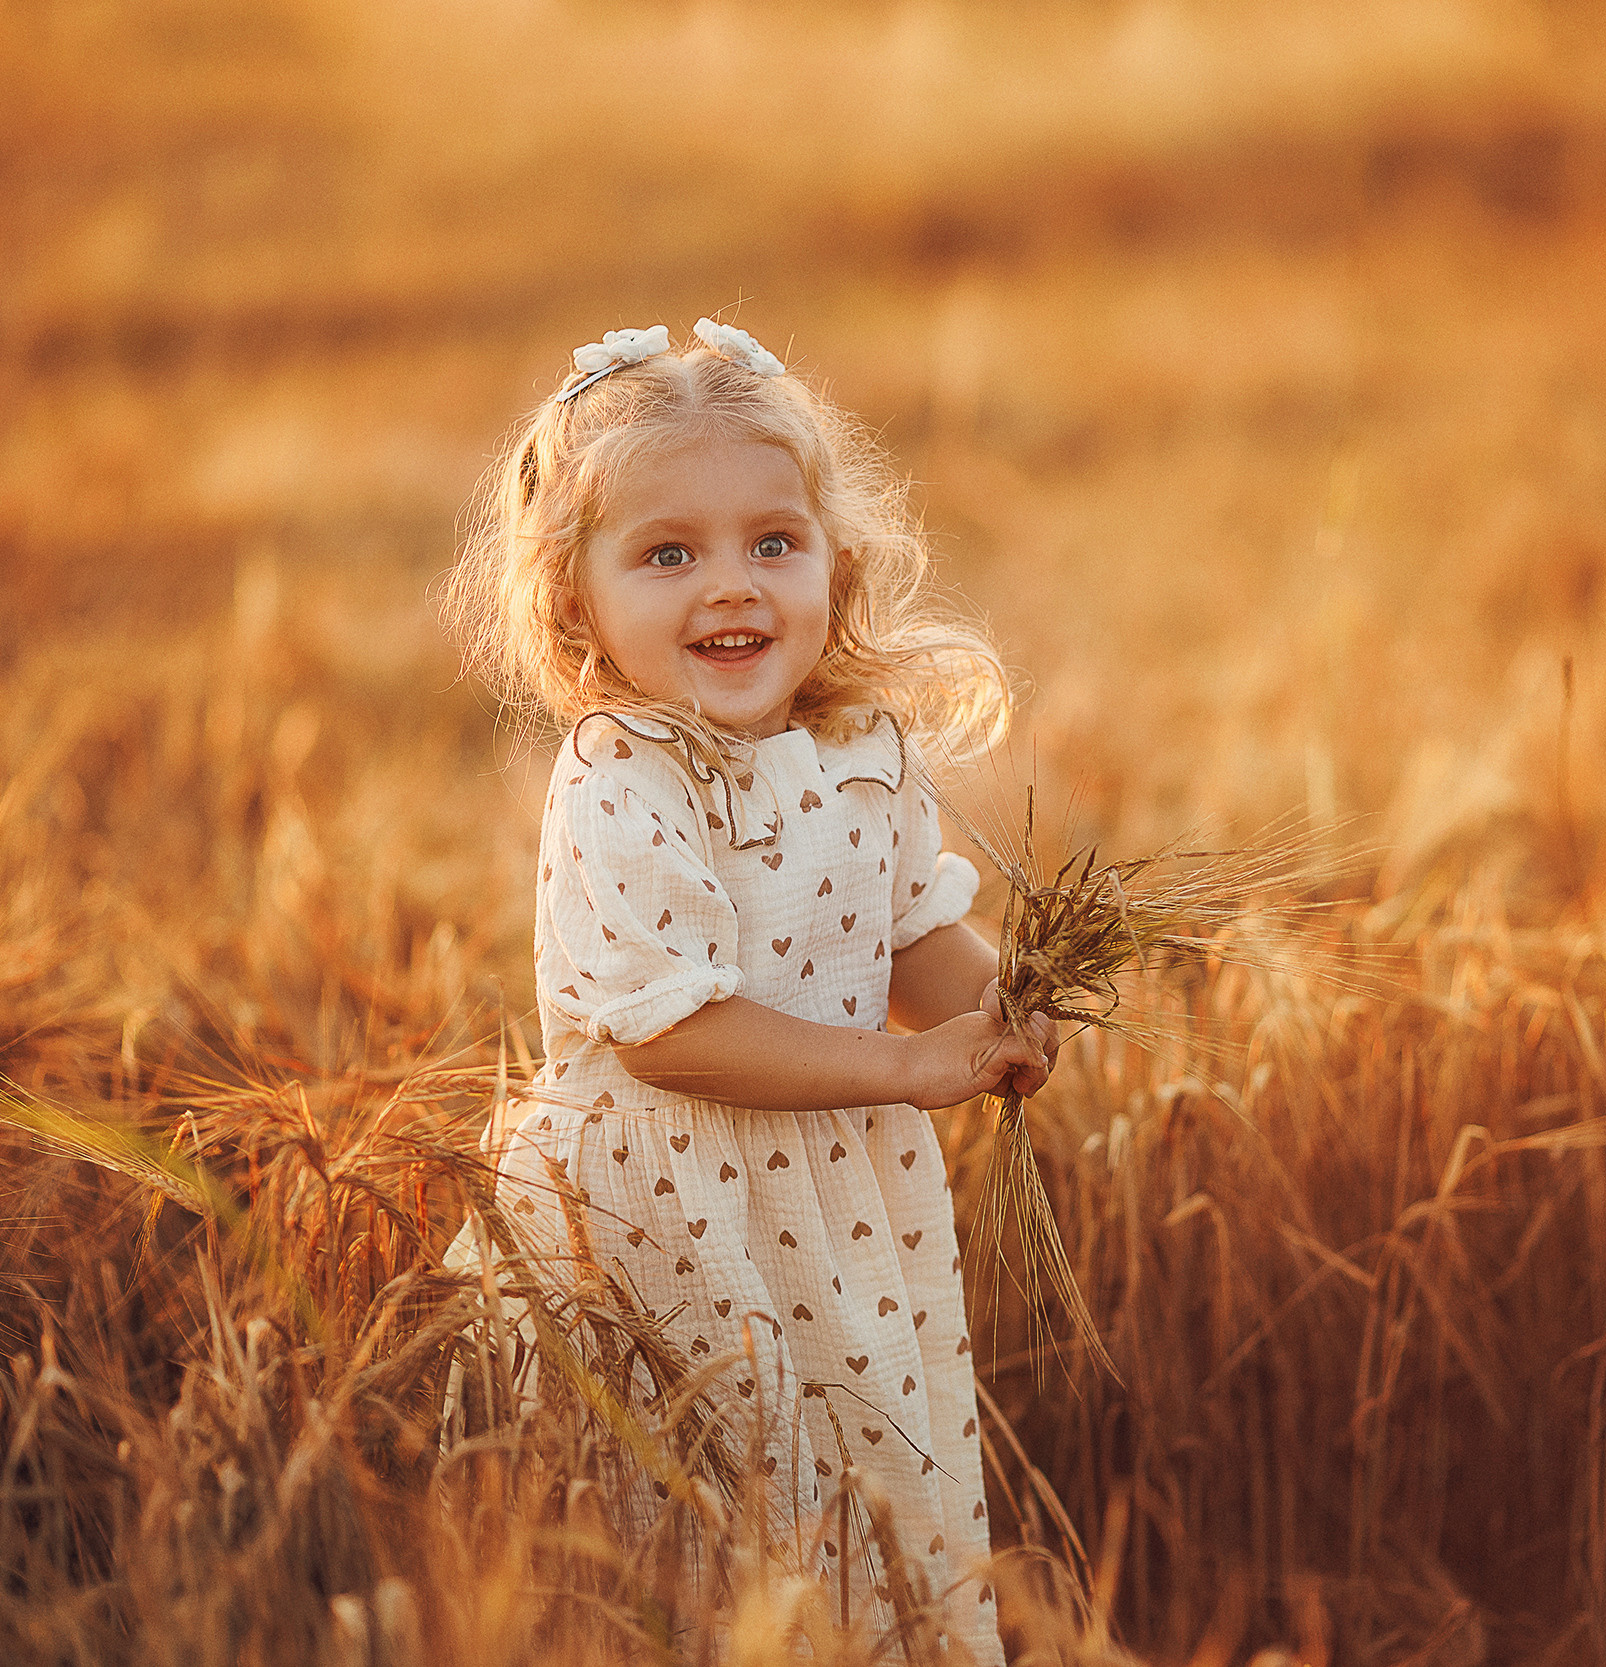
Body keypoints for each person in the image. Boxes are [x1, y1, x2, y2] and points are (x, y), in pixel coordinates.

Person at [441, 318, 1053, 1662]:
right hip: (665, 1219)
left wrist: (1010, 1000)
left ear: (838, 561)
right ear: (573, 600)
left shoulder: (861, 751)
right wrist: (912, 1069)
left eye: (773, 542)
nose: (733, 587)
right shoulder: (621, 773)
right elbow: (676, 1036)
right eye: (669, 554)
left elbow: (907, 946)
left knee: (864, 1508)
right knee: (709, 1534)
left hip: (841, 1220)